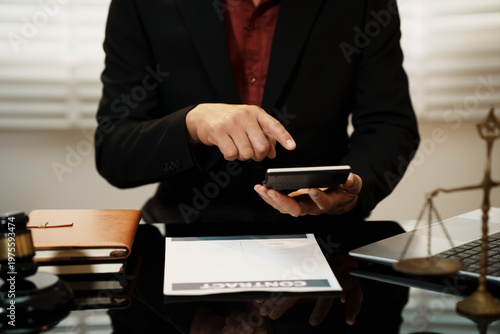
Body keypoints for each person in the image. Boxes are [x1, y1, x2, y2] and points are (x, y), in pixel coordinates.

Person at [95, 0, 419, 332]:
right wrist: (191, 125)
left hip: (326, 245)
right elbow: (114, 150)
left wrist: (355, 184)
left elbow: (389, 124)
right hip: (179, 240)